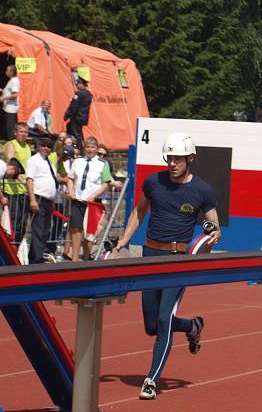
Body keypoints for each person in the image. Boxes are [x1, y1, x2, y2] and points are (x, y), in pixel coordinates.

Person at [113, 132, 221, 400]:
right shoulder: (153, 182)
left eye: (178, 159)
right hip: (150, 256)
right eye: (169, 158)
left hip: (178, 261)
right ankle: (192, 326)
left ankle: (151, 379)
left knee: (163, 320)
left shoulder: (202, 190)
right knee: (152, 325)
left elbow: (213, 224)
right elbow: (139, 212)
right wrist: (123, 242)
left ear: (190, 158)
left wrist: (212, 234)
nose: (172, 163)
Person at [66, 136, 110, 260]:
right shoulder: (78, 162)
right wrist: (70, 191)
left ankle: (86, 258)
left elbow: (106, 183)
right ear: (84, 148)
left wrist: (94, 195)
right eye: (88, 147)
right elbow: (70, 178)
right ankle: (74, 259)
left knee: (90, 233)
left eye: (92, 147)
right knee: (76, 229)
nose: (90, 150)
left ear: (96, 149)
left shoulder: (103, 164)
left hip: (93, 202)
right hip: (78, 199)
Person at [25, 137, 59, 264]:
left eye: (49, 146)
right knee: (38, 230)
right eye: (44, 145)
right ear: (39, 146)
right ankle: (37, 259)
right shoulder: (34, 160)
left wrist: (53, 200)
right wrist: (33, 200)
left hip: (48, 200)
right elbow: (29, 180)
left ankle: (34, 257)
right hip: (39, 198)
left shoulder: (48, 161)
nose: (46, 148)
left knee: (45, 231)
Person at [3, 122, 31, 240]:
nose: (23, 134)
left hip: (24, 191)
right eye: (21, 132)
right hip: (12, 190)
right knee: (13, 222)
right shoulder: (11, 145)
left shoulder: (28, 147)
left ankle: (18, 249)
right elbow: (12, 164)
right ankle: (10, 249)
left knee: (23, 222)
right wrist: (21, 179)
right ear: (15, 133)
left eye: (25, 132)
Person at [63, 77, 92, 149]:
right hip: (83, 117)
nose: (76, 84)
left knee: (77, 134)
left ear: (81, 84)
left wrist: (67, 115)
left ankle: (80, 148)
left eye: (77, 83)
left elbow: (74, 106)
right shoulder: (89, 94)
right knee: (72, 130)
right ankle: (71, 146)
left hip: (76, 117)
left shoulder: (78, 94)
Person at [1, 64, 20, 141]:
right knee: (7, 127)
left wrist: (3, 98)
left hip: (11, 109)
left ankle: (11, 144)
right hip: (7, 108)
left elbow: (15, 95)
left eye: (7, 70)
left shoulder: (14, 81)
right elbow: (10, 92)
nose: (5, 72)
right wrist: (3, 91)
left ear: (12, 72)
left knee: (10, 128)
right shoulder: (11, 80)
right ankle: (8, 142)